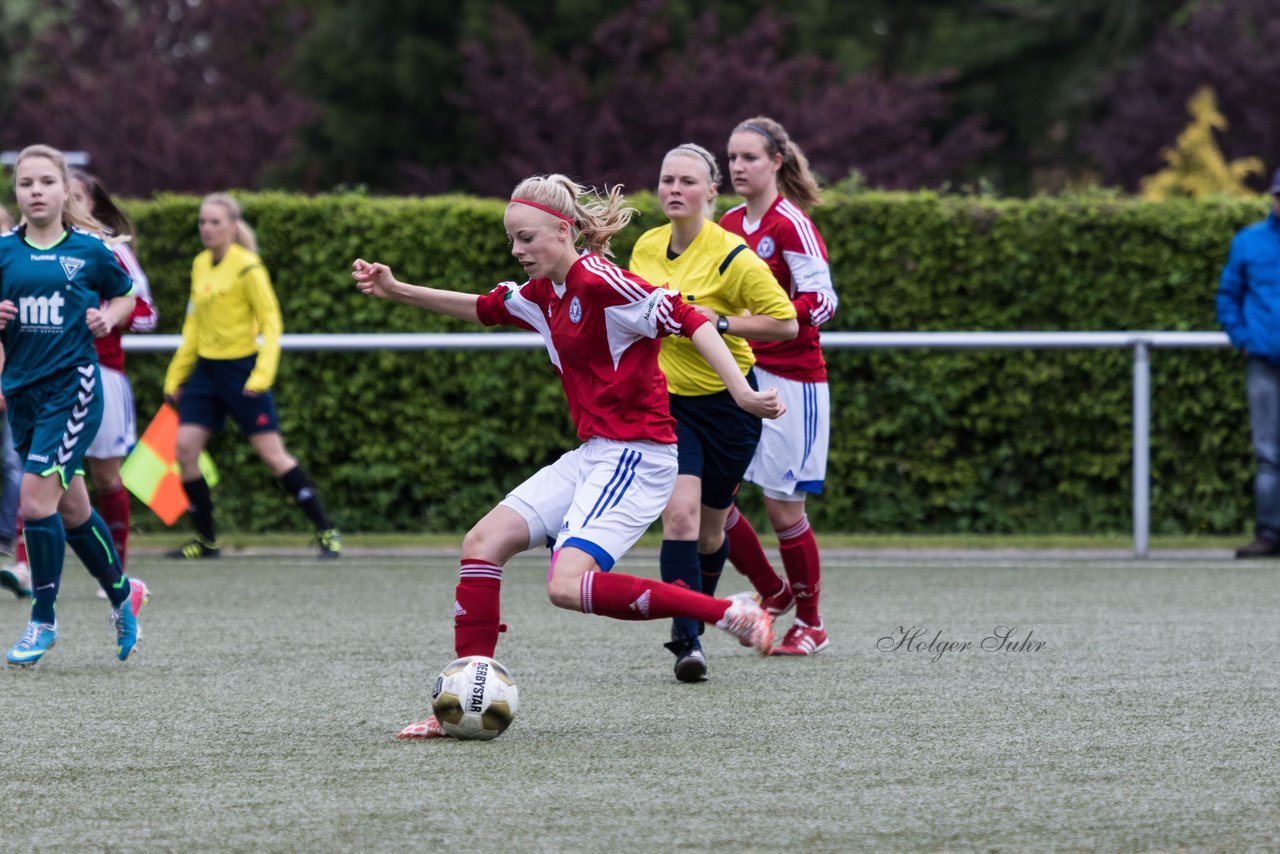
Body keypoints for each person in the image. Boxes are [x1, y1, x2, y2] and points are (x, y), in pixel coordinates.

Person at [351, 174, 784, 739]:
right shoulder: (542, 295)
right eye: (511, 240)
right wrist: (397, 289)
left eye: (526, 238)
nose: (516, 250)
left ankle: (727, 612)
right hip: (594, 453)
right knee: (481, 544)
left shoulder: (602, 282)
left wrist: (743, 394)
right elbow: (484, 307)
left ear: (562, 230)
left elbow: (692, 320)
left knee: (565, 585)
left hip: (639, 455)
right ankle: (463, 696)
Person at [629, 143, 799, 682]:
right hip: (669, 404)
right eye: (666, 180)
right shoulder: (646, 247)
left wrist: (718, 322)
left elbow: (786, 323)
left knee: (708, 532)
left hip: (730, 406)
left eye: (686, 181)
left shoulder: (734, 256)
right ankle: (688, 641)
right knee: (677, 515)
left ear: (710, 192)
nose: (674, 190)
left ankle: (705, 613)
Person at [0, 144, 147, 664]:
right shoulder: (3, 252)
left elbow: (128, 294)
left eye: (45, 182)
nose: (35, 191)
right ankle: (121, 591)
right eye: (25, 183)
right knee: (73, 509)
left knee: (35, 503)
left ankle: (42, 619)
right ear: (16, 192)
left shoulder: (89, 250)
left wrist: (110, 316)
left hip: (74, 389)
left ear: (65, 190)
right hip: (23, 393)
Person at [162, 193, 342, 560]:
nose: (207, 228)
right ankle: (207, 541)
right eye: (202, 222)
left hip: (242, 371)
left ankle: (327, 532)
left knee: (274, 457)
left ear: (232, 226)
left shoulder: (248, 267)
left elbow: (272, 322)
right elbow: (193, 325)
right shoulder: (199, 264)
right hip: (205, 374)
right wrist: (175, 377)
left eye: (215, 221)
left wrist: (262, 374)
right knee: (184, 450)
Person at [718, 116, 839, 654]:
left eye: (749, 158)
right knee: (713, 497)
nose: (737, 167)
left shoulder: (791, 224)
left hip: (793, 382)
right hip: (739, 374)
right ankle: (772, 590)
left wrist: (769, 315)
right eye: (732, 158)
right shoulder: (727, 223)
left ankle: (811, 622)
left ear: (776, 162)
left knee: (784, 507)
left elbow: (824, 300)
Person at [1217, 167, 1280, 558]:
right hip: (1263, 360)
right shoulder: (1249, 243)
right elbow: (1227, 297)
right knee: (1268, 452)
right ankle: (1269, 533)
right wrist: (1243, 338)